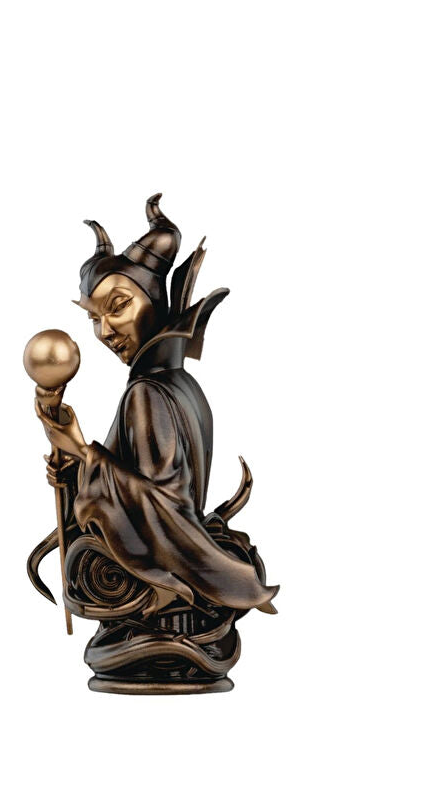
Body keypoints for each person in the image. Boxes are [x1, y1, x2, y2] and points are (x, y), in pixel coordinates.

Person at [32, 193, 278, 690]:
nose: (105, 331)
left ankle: (163, 646)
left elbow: (167, 505)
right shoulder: (179, 383)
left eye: (118, 307)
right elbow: (145, 485)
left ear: (154, 300)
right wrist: (77, 469)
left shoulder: (147, 392)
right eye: (93, 318)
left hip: (166, 599)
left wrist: (84, 453)